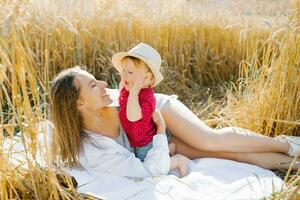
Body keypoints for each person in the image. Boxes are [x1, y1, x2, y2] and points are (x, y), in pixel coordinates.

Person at [50, 66, 299, 179]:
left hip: (159, 112)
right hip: (159, 143)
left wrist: (159, 130)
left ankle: (286, 145)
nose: (104, 85)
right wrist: (163, 145)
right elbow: (139, 168)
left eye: (97, 80)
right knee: (229, 155)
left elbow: (143, 95)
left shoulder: (112, 99)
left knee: (210, 141)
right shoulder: (91, 147)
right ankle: (293, 165)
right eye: (93, 85)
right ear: (78, 105)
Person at [112, 43, 188, 177]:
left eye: (130, 72)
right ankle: (168, 148)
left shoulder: (146, 98)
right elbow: (121, 95)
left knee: (153, 169)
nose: (124, 75)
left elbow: (132, 117)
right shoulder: (127, 88)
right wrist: (127, 82)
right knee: (145, 162)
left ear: (147, 78)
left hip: (147, 144)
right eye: (123, 70)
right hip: (136, 140)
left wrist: (134, 94)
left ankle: (177, 160)